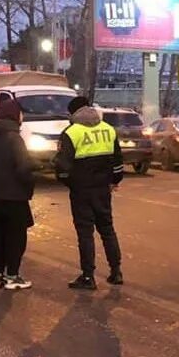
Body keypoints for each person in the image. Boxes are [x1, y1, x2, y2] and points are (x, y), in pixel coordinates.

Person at [55, 95, 123, 290]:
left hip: (82, 191)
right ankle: (116, 271)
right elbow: (118, 161)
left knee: (85, 233)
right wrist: (114, 181)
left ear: (73, 113)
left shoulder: (71, 132)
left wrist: (70, 184)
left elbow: (62, 167)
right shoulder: (108, 129)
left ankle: (88, 276)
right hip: (103, 190)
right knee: (107, 229)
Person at [0, 99, 35, 290]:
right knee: (16, 237)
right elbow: (24, 168)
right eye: (21, 112)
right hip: (16, 197)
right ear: (14, 115)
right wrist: (29, 185)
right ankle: (12, 276)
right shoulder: (15, 138)